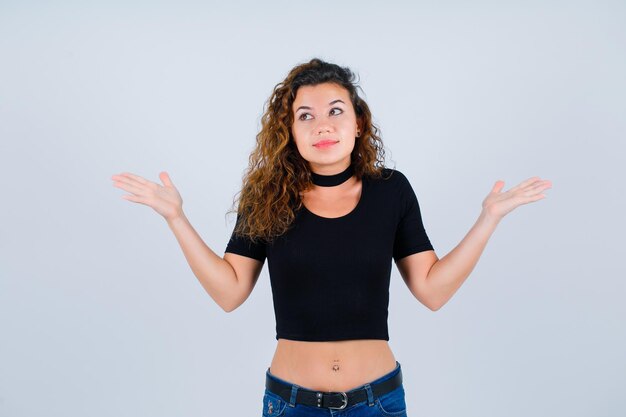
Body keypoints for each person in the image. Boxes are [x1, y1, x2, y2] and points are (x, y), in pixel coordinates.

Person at [111, 58, 552, 416]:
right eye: (306, 116)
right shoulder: (267, 196)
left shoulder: (390, 190)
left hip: (376, 402)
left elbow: (432, 290)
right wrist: (176, 218)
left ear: (358, 123)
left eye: (335, 111)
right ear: (291, 132)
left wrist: (488, 218)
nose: (322, 125)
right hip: (290, 403)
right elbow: (230, 292)